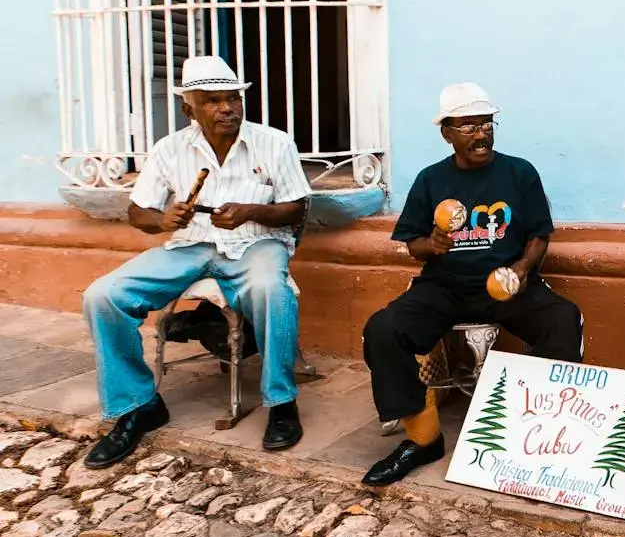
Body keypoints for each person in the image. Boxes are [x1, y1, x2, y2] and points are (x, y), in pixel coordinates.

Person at [81, 55, 311, 468]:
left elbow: (296, 208)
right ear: (189, 109)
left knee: (270, 290)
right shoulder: (169, 149)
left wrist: (251, 211)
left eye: (233, 99)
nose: (227, 108)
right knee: (103, 295)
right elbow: (140, 214)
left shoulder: (274, 142)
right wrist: (162, 219)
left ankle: (281, 402)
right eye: (212, 101)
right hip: (191, 245)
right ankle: (138, 405)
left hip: (255, 242)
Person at [360, 82, 584, 486]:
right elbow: (413, 244)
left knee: (562, 319)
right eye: (467, 126)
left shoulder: (519, 172)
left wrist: (521, 269)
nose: (480, 133)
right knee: (383, 329)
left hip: (506, 285)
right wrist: (433, 243)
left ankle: (534, 434)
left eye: (486, 124)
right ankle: (423, 438)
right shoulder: (431, 180)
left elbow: (538, 235)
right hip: (444, 288)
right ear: (447, 132)